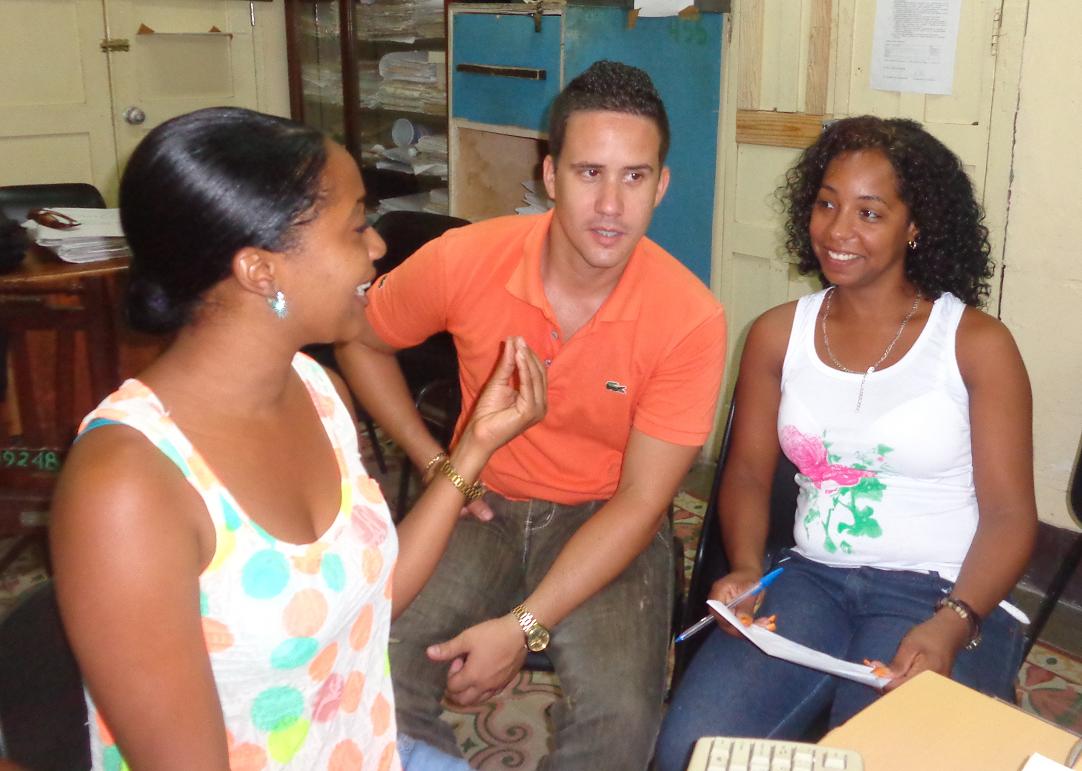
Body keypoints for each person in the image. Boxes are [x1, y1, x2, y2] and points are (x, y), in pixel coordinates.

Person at [49, 107, 547, 770]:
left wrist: (472, 450)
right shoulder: (126, 489)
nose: (376, 248)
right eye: (357, 227)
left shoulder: (317, 389)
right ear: (261, 270)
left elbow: (365, 597)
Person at [335, 60, 727, 769]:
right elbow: (358, 335)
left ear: (662, 185)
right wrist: (434, 461)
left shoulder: (689, 317)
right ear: (549, 175)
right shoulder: (467, 259)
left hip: (604, 516)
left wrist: (522, 626)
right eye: (589, 173)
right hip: (480, 499)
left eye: (634, 176)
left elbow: (643, 499)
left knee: (621, 722)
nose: (610, 205)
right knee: (365, 666)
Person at [654, 115, 1038, 770]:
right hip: (810, 578)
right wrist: (747, 565)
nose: (838, 229)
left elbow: (1010, 516)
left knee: (875, 758)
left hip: (936, 589)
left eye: (869, 212)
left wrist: (953, 620)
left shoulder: (976, 344)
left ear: (915, 226)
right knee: (691, 748)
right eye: (827, 203)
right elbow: (746, 471)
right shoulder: (778, 334)